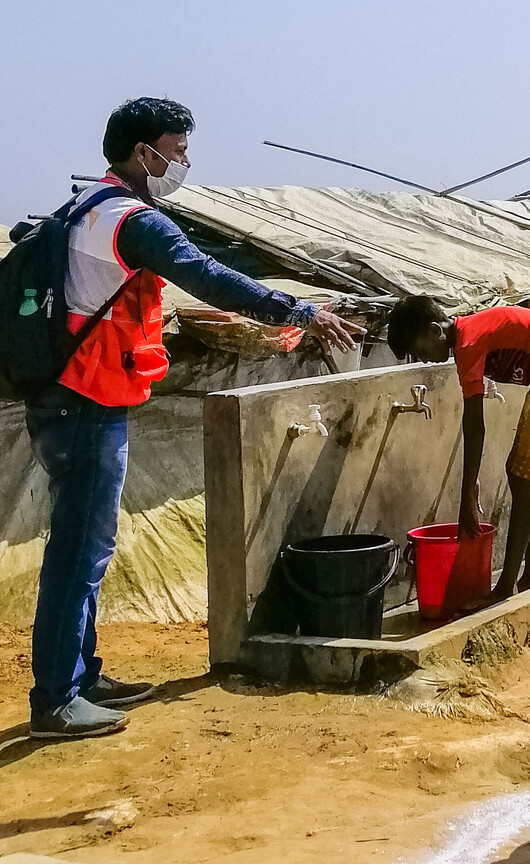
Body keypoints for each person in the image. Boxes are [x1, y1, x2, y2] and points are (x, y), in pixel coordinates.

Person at [25, 97, 363, 741]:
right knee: (79, 549)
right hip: (85, 400)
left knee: (81, 543)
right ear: (141, 152)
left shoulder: (85, 207)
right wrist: (298, 310)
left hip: (71, 396)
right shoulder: (130, 219)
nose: (182, 163)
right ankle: (56, 698)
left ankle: (79, 674)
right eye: (175, 151)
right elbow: (204, 275)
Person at [387, 300, 530, 600]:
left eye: (420, 351)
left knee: (521, 476)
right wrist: (470, 484)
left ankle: (506, 586)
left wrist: (467, 493)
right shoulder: (467, 337)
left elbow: (475, 425)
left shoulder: (468, 343)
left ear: (434, 331)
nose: (423, 360)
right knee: (521, 473)